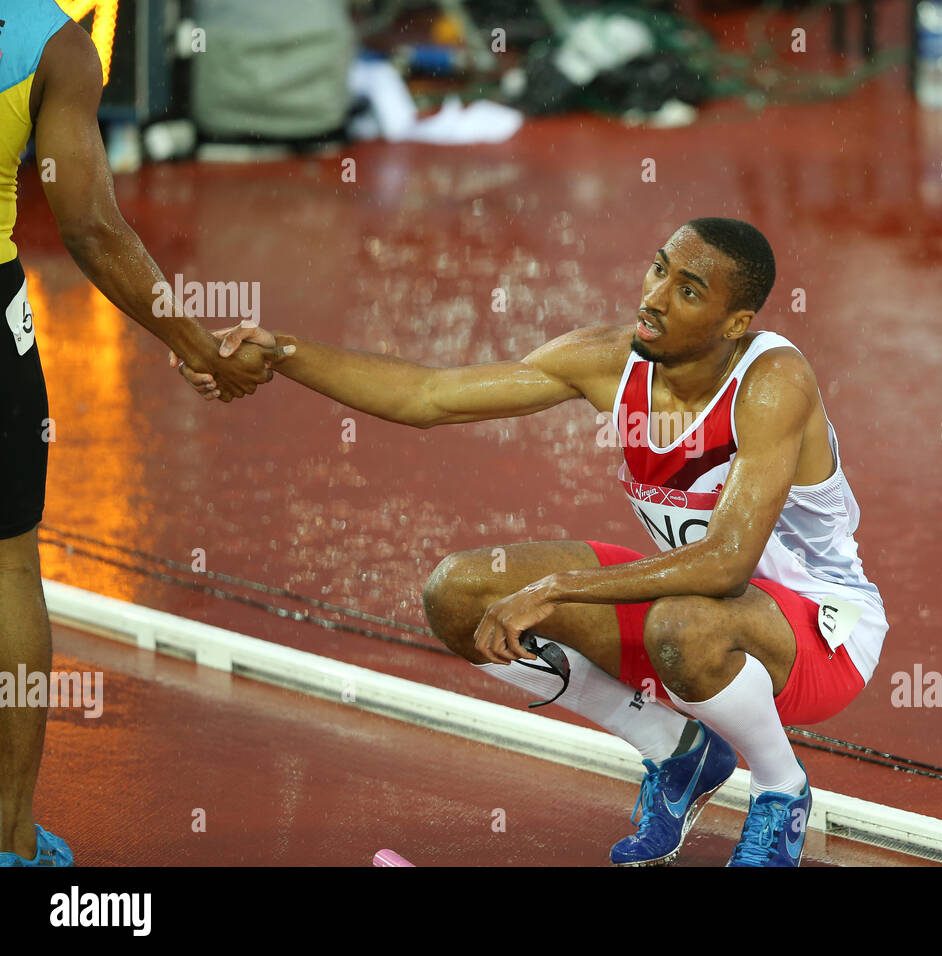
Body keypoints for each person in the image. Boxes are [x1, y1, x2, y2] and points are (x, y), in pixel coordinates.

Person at [187, 217, 889, 867]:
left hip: (820, 636)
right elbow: (428, 396)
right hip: (695, 606)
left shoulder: (772, 382)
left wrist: (556, 588)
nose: (656, 296)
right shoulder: (607, 360)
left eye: (688, 289)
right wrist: (282, 352)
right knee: (460, 592)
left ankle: (779, 788)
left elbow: (726, 563)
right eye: (657, 270)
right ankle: (674, 750)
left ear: (736, 322)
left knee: (682, 621)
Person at [0, 2, 278, 866]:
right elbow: (88, 226)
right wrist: (199, 348)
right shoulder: (50, 43)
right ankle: (6, 842)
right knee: (5, 564)